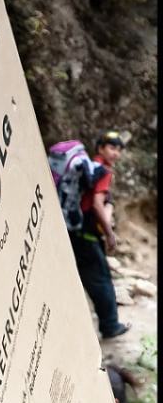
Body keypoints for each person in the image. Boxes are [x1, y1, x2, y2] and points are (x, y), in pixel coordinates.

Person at [68, 130, 131, 339]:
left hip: (75, 231)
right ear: (101, 148)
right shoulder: (102, 171)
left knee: (88, 277)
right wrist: (110, 234)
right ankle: (110, 326)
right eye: (112, 148)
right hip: (87, 234)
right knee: (102, 279)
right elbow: (96, 204)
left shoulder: (88, 167)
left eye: (119, 149)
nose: (116, 153)